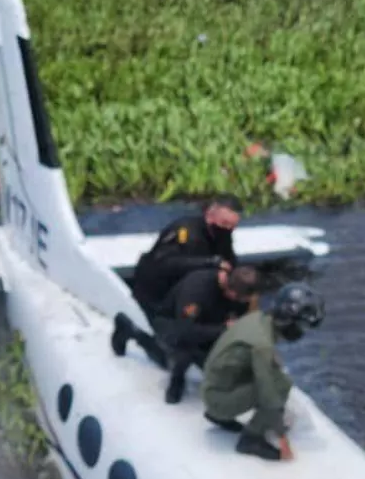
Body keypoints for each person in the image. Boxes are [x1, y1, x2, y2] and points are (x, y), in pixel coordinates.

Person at [201, 282, 325, 462]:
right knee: (281, 384)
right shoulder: (262, 345)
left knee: (273, 373)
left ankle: (217, 414)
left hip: (213, 385)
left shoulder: (258, 318)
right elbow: (269, 396)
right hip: (217, 399)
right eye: (301, 326)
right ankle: (251, 439)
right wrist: (280, 433)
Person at [155, 264, 261, 405]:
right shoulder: (197, 289)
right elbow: (186, 331)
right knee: (182, 350)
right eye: (243, 300)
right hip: (174, 326)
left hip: (211, 323)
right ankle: (177, 377)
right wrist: (223, 329)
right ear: (232, 293)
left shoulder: (239, 293)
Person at [131, 194, 243, 317]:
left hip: (192, 288)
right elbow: (164, 263)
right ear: (210, 215)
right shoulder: (185, 231)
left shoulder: (223, 235)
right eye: (224, 223)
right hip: (160, 293)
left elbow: (229, 258)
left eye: (232, 226)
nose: (228, 229)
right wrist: (211, 262)